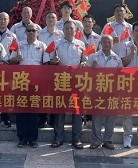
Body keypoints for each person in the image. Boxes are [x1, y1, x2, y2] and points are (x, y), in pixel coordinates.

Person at [9, 23, 50, 148]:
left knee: (33, 112)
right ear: (25, 32)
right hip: (21, 82)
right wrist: (17, 59)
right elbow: (10, 61)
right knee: (21, 111)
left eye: (33, 30)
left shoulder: (42, 46)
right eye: (29, 30)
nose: (31, 32)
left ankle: (32, 139)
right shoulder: (19, 45)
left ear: (37, 33)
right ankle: (22, 138)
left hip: (35, 83)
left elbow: (46, 64)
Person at [49, 21, 86, 149]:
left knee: (77, 110)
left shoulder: (81, 44)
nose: (69, 30)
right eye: (67, 28)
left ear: (75, 31)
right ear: (63, 30)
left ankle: (77, 138)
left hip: (77, 81)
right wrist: (53, 61)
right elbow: (50, 61)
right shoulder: (56, 44)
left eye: (71, 28)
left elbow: (85, 61)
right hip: (61, 80)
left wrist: (84, 64)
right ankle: (58, 138)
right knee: (60, 110)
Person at [88, 34, 122, 150]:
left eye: (109, 42)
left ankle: (108, 140)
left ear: (113, 44)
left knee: (111, 117)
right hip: (97, 91)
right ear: (101, 43)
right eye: (104, 42)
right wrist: (91, 68)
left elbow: (121, 76)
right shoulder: (93, 57)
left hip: (112, 92)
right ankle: (96, 141)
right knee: (97, 117)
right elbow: (85, 73)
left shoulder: (117, 59)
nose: (107, 44)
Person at [37, 11, 63, 127]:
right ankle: (42, 118)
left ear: (56, 20)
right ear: (45, 20)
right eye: (49, 18)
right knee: (43, 93)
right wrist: (47, 61)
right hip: (43, 66)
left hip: (57, 66)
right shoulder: (40, 33)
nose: (51, 20)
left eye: (53, 18)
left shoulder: (61, 33)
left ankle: (53, 119)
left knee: (54, 93)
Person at [0, 11, 17, 128]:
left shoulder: (12, 36)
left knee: (5, 93)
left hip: (7, 68)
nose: (2, 21)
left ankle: (5, 117)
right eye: (0, 19)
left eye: (5, 19)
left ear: (8, 21)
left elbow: (14, 52)